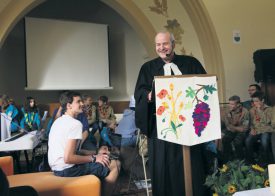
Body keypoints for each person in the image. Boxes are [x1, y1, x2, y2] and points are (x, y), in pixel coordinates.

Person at [134, 31, 208, 196]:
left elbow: (204, 85)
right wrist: (149, 95)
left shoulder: (191, 62)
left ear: (173, 44)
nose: (162, 48)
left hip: (189, 126)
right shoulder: (147, 68)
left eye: (165, 44)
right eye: (158, 45)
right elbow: (139, 92)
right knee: (163, 166)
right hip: (161, 129)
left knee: (191, 165)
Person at [48, 91, 120, 196]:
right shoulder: (75, 124)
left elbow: (73, 152)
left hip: (57, 168)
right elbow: (69, 158)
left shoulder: (58, 121)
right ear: (69, 106)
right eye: (78, 102)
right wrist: (95, 158)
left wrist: (96, 152)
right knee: (115, 164)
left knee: (103, 158)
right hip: (68, 170)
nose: (82, 104)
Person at [245, 91, 274, 165]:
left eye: (257, 101)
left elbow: (270, 123)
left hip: (266, 130)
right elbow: (250, 123)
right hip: (256, 130)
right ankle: (250, 162)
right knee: (248, 141)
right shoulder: (251, 110)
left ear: (262, 100)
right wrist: (252, 129)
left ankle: (266, 162)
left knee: (264, 141)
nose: (255, 103)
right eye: (253, 101)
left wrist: (260, 111)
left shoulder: (270, 110)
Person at [222, 95, 249, 162]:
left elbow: (245, 128)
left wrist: (234, 127)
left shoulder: (245, 112)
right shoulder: (227, 111)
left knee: (237, 142)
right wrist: (236, 128)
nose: (230, 105)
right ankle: (228, 160)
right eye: (229, 103)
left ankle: (241, 161)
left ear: (238, 105)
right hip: (232, 130)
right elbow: (228, 125)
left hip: (242, 132)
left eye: (232, 104)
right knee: (225, 139)